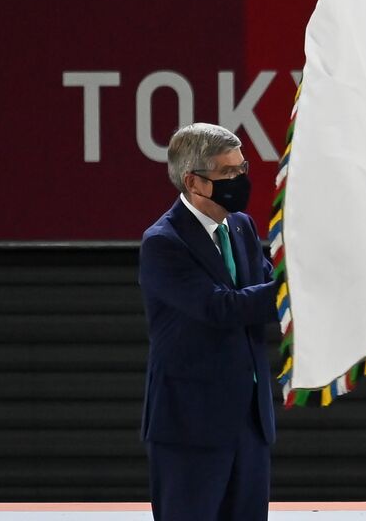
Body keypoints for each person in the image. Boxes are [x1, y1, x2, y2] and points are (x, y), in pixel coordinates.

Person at [139, 123, 280, 521]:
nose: (241, 179)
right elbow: (221, 308)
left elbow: (268, 287)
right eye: (228, 173)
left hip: (250, 425)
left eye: (242, 168)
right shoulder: (164, 243)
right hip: (190, 428)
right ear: (193, 181)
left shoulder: (242, 227)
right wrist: (292, 290)